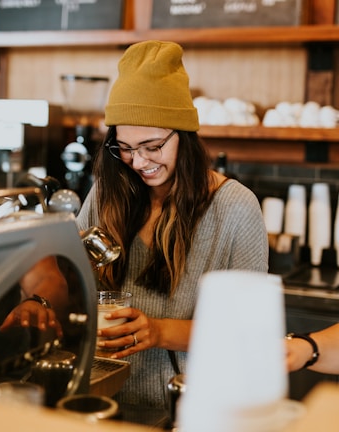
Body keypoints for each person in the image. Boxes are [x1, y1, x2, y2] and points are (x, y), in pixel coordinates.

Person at [75, 40, 269, 409]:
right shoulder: (107, 192)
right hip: (102, 399)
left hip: (189, 406)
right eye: (125, 147)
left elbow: (249, 331)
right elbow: (74, 273)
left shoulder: (235, 207)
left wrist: (158, 330)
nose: (137, 161)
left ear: (184, 135)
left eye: (152, 145)